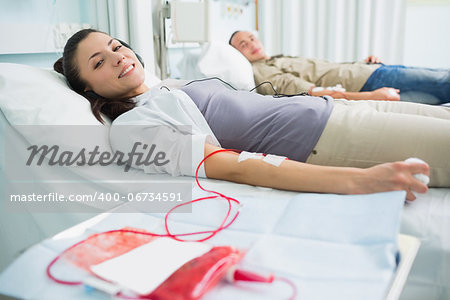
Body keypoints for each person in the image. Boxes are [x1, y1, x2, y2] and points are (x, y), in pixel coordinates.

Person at [54, 29, 450, 202]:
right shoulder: (131, 128)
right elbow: (237, 167)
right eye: (99, 61)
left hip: (341, 109)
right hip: (328, 139)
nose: (119, 56)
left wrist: (359, 99)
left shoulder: (168, 87)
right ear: (88, 89)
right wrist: (359, 181)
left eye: (116, 46)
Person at [229, 31, 450, 104]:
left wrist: (361, 63)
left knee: (440, 90)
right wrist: (372, 96)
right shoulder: (261, 71)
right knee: (442, 81)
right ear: (236, 54)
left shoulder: (275, 59)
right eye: (243, 44)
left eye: (251, 38)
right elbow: (310, 92)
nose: (251, 44)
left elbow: (325, 71)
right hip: (370, 81)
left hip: (368, 71)